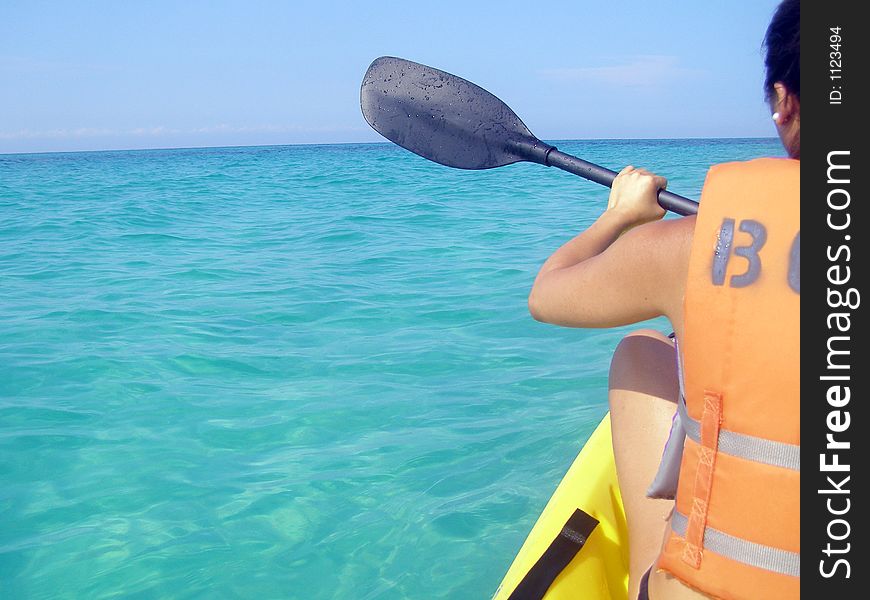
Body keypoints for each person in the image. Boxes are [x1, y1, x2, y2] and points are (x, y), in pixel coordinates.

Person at [527, 1, 799, 598]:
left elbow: (547, 295)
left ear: (785, 100)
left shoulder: (693, 245)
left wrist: (620, 217)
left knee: (643, 350)